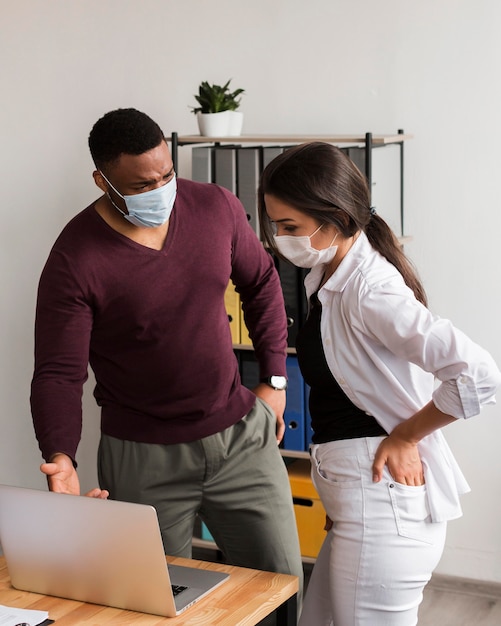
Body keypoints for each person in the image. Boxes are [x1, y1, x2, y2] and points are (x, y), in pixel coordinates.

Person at [30, 108, 303, 599]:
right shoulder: (75, 257)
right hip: (143, 461)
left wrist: (276, 379)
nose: (161, 190)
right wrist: (61, 456)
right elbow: (58, 373)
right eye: (140, 185)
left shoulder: (215, 207)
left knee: (280, 590)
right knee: (154, 603)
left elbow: (261, 283)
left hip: (241, 440)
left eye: (167, 174)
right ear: (102, 180)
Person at [257, 141, 501, 625]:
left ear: (335, 219)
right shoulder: (331, 277)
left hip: (381, 509)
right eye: (275, 225)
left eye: (290, 228)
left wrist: (407, 434)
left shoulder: (370, 291)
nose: (279, 239)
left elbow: (478, 374)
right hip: (362, 504)